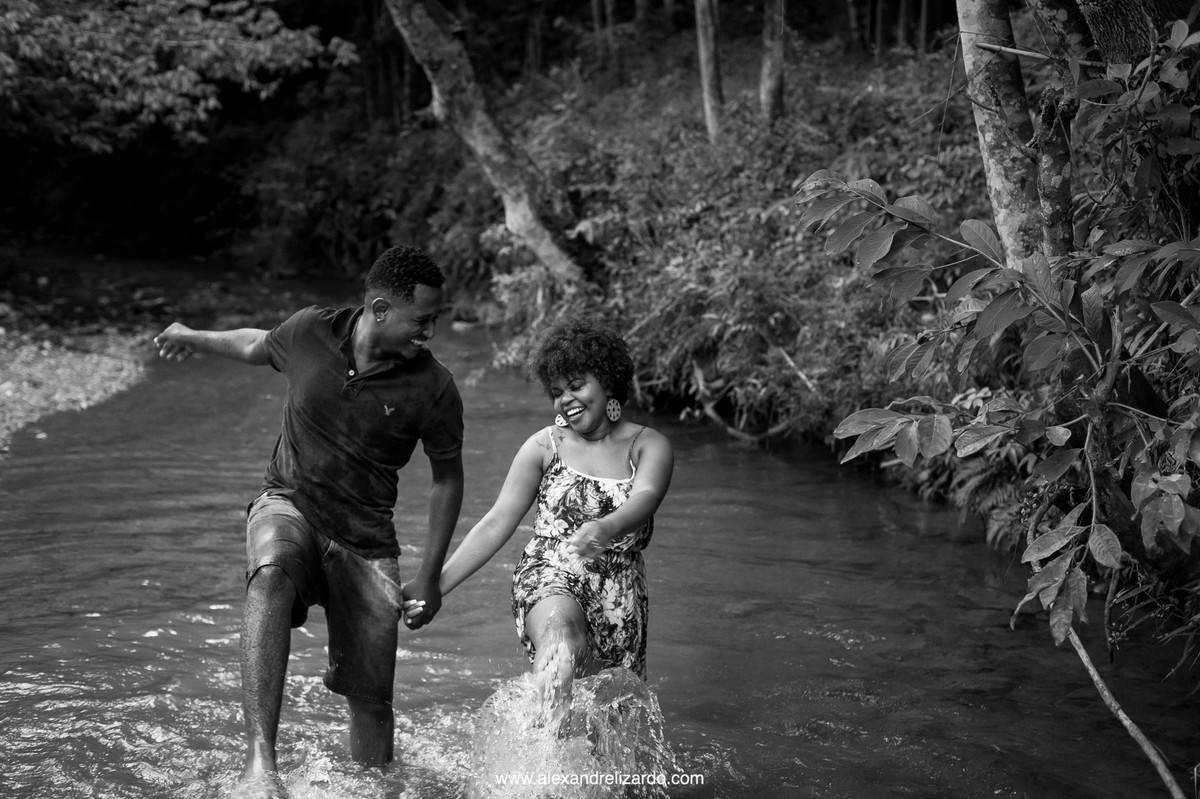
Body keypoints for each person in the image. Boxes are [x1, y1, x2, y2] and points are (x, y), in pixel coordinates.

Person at [153, 245, 465, 799]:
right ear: (380, 309)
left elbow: (448, 480)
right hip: (288, 502)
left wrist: (430, 577)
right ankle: (260, 766)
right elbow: (255, 345)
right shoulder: (310, 331)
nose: (430, 333)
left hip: (366, 540)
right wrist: (191, 335)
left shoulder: (434, 387)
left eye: (435, 319)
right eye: (422, 320)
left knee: (372, 705)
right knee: (270, 573)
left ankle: (373, 789)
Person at [412, 317, 672, 730]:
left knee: (606, 723)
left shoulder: (647, 444)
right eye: (556, 392)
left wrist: (606, 528)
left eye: (576, 386)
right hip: (550, 571)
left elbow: (647, 496)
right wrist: (434, 587)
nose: (565, 400)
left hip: (620, 593)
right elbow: (496, 522)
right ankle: (538, 758)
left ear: (607, 382)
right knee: (560, 643)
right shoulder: (543, 445)